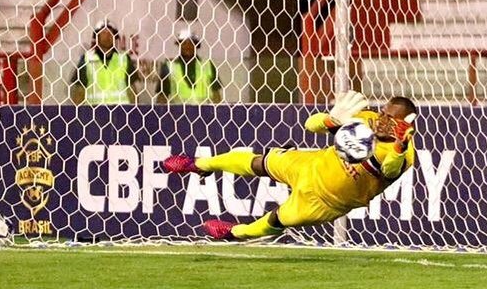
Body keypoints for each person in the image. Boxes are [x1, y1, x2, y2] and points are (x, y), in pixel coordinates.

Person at [162, 91, 417, 240]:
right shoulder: (367, 119)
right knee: (258, 162)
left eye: (390, 118)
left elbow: (389, 171)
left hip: (326, 202)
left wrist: (399, 145)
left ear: (405, 124)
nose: (382, 120)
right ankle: (199, 164)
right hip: (309, 165)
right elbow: (310, 125)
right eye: (383, 112)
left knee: (276, 219)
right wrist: (330, 120)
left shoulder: (404, 154)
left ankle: (234, 233)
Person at [69, 19, 141, 104]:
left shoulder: (124, 59)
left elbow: (132, 92)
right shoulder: (87, 59)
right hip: (94, 115)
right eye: (104, 33)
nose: (107, 36)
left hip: (121, 114)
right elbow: (79, 93)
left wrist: (134, 114)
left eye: (111, 33)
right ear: (97, 37)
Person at [155, 29, 222, 104]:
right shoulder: (169, 66)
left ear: (196, 45)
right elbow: (162, 96)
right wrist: (160, 113)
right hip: (177, 113)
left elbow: (216, 94)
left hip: (204, 113)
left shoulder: (208, 65)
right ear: (179, 45)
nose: (188, 46)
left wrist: (218, 113)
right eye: (184, 43)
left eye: (191, 43)